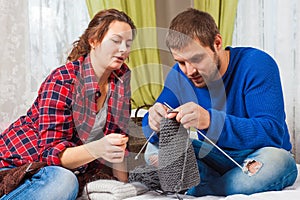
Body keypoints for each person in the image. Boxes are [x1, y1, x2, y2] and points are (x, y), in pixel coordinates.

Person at [142, 8, 298, 196]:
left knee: (277, 162)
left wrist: (210, 121)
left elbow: (271, 131)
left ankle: (200, 187)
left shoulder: (257, 64)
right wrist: (153, 121)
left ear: (217, 43)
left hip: (257, 156)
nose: (189, 71)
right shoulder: (179, 75)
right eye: (181, 62)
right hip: (212, 156)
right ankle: (216, 182)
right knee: (153, 149)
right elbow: (153, 127)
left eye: (197, 59)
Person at [0, 8, 136, 199]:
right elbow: (50, 155)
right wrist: (97, 148)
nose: (124, 49)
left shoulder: (120, 82)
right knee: (64, 181)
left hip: (61, 171)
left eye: (128, 44)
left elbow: (118, 146)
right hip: (19, 164)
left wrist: (125, 190)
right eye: (116, 41)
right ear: (94, 41)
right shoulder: (63, 80)